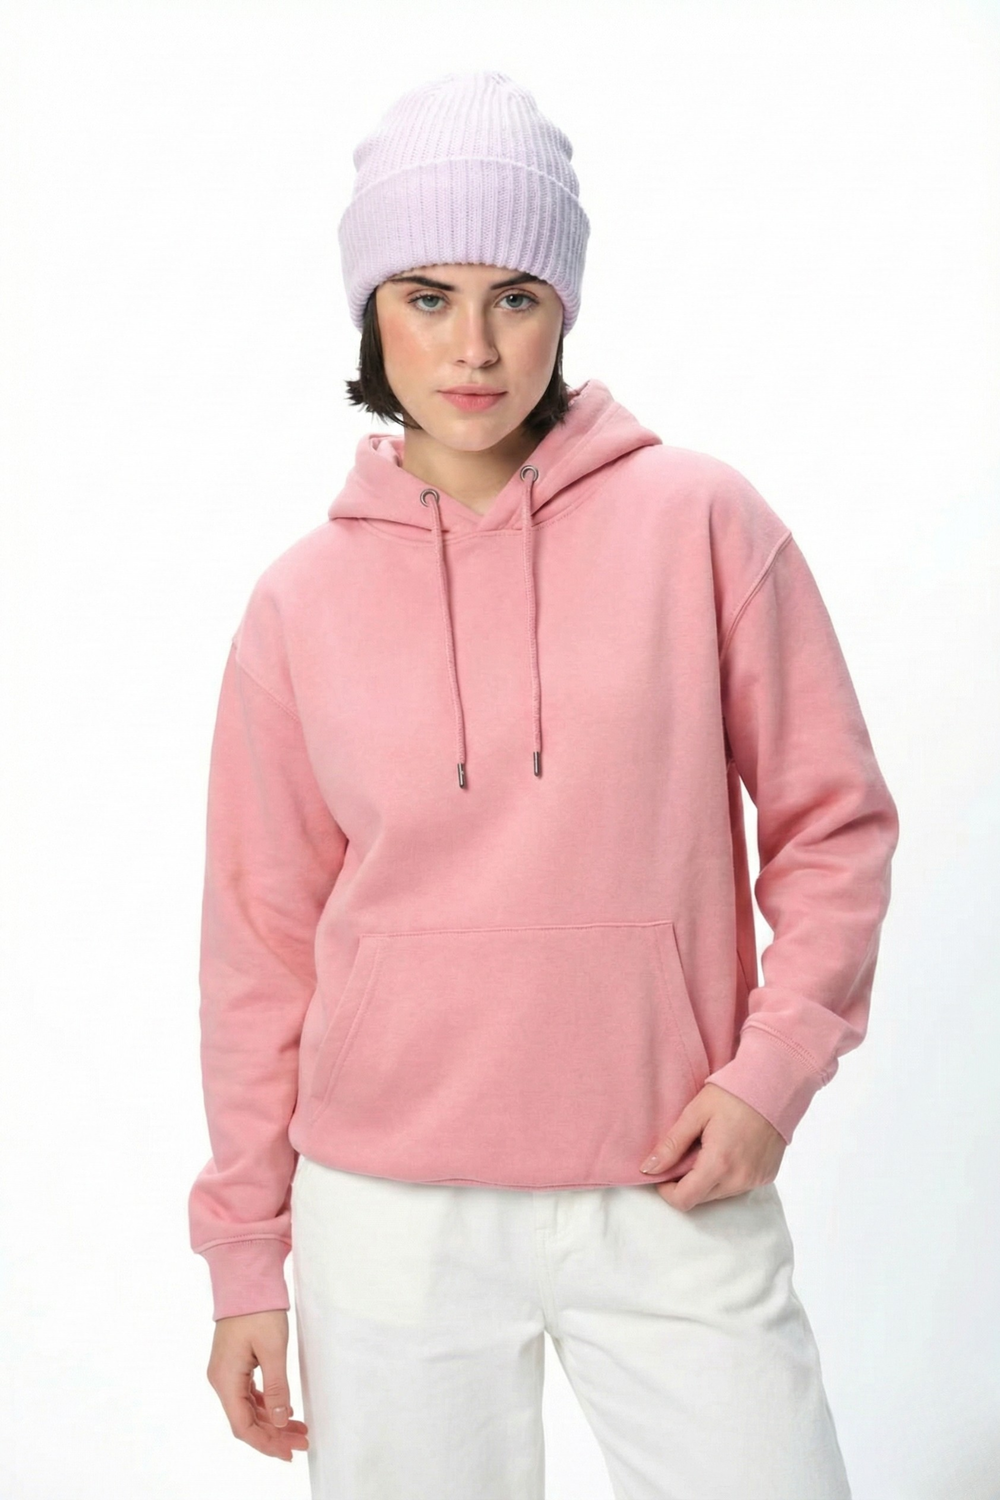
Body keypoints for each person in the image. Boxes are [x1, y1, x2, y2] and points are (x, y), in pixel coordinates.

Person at [188, 70, 899, 1499]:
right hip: (388, 1217)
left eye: (514, 296)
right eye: (427, 297)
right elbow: (258, 952)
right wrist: (246, 1256)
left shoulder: (700, 521)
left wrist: (771, 1073)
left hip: (672, 1177)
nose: (472, 347)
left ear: (563, 306)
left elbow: (834, 826)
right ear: (370, 312)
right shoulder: (299, 603)